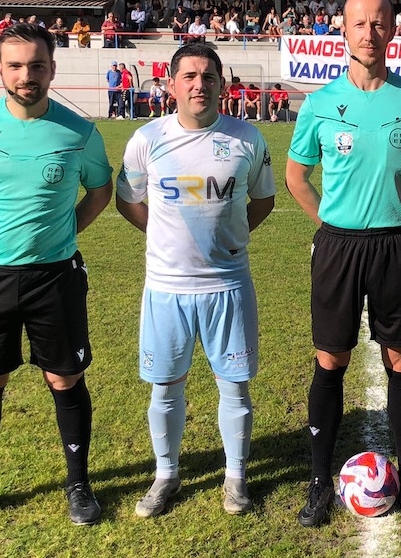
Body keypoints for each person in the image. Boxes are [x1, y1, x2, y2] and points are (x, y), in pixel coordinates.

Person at [0, 22, 113, 534]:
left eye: (36, 65)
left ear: (53, 69)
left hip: (55, 277)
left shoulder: (80, 132)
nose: (26, 75)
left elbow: (99, 190)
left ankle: (78, 483)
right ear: (1, 70)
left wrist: (65, 232)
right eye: (16, 65)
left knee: (64, 378)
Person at [285, 0, 401, 528]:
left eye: (380, 23)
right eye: (359, 23)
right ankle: (317, 482)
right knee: (331, 359)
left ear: (394, 30)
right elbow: (296, 176)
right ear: (343, 30)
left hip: (396, 246)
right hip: (338, 247)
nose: (369, 32)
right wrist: (331, 226)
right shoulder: (321, 102)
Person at [115, 42, 275, 519]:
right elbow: (129, 199)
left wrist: (229, 237)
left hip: (228, 284)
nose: (198, 85)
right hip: (166, 288)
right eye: (189, 76)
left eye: (208, 77)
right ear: (171, 84)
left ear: (222, 85)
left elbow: (262, 201)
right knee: (164, 387)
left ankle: (236, 477)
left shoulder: (248, 138)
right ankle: (165, 474)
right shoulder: (146, 139)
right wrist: (164, 237)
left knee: (235, 386)